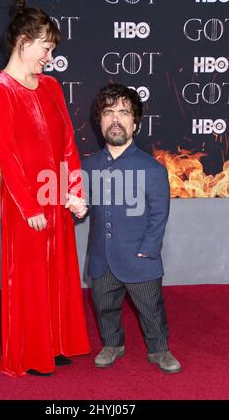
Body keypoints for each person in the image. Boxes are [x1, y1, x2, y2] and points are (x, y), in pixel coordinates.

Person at [0, 0, 90, 377]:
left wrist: (74, 192)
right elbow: (7, 159)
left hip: (57, 194)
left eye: (52, 49)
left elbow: (67, 145)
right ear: (24, 41)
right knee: (28, 277)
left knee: (58, 274)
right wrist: (30, 208)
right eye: (46, 47)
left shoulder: (52, 87)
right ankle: (30, 354)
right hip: (24, 202)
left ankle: (55, 344)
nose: (50, 55)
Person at [82, 84, 181, 373]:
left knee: (151, 309)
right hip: (101, 257)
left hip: (141, 258)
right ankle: (113, 344)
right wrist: (76, 206)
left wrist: (148, 251)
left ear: (135, 123)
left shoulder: (152, 169)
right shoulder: (87, 167)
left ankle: (159, 349)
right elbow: (82, 208)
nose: (115, 119)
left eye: (124, 112)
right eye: (108, 112)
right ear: (99, 122)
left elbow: (159, 214)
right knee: (104, 306)